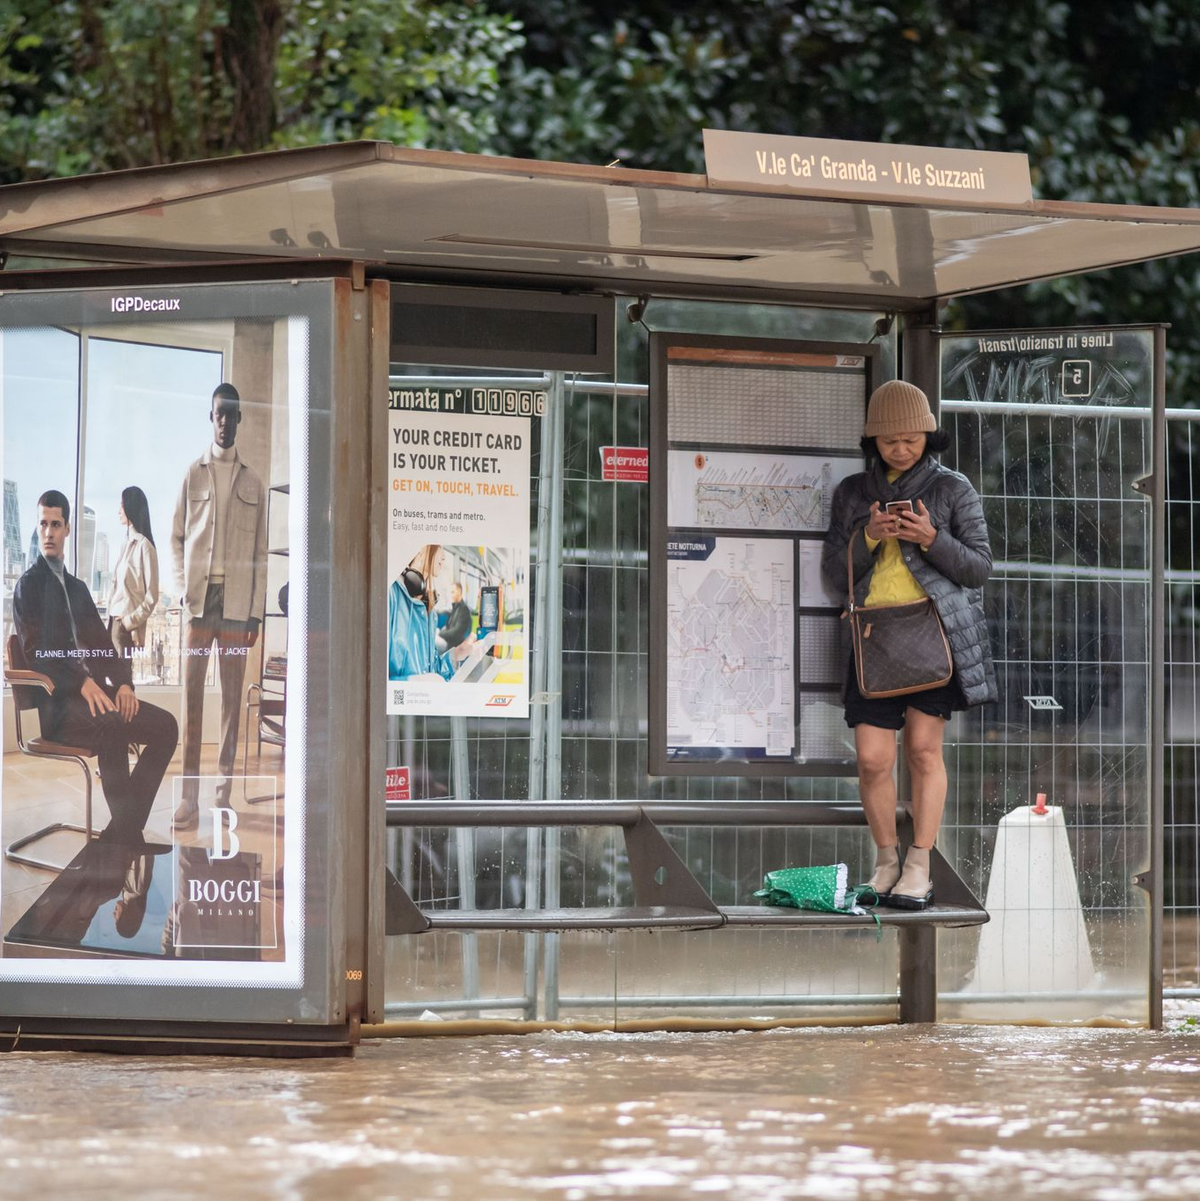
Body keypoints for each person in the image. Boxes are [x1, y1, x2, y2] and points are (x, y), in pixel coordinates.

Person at [821, 381, 996, 910]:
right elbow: (835, 574)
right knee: (873, 760)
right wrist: (870, 536)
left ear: (927, 435)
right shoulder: (854, 492)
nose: (902, 449)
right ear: (873, 440)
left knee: (923, 750)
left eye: (912, 439)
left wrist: (929, 538)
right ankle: (886, 860)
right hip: (872, 637)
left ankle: (920, 862)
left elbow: (980, 567)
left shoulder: (952, 488)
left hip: (934, 635)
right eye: (890, 441)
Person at [12, 490, 178, 833]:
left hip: (96, 699)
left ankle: (123, 830)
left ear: (67, 529)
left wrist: (124, 685)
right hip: (58, 707)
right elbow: (36, 653)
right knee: (112, 726)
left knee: (166, 727)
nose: (48, 532)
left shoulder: (78, 588)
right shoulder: (28, 586)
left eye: (56, 524)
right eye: (43, 524)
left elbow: (104, 645)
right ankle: (126, 834)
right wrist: (82, 682)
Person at [170, 383, 267, 827]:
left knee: (231, 703)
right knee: (192, 700)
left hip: (235, 607)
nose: (225, 422)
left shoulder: (254, 482)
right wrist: (181, 588)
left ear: (240, 418)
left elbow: (261, 554)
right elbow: (175, 538)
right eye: (218, 414)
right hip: (198, 603)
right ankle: (188, 798)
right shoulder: (193, 473)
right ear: (210, 418)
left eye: (232, 414)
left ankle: (223, 796)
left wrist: (255, 614)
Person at [389, 545, 455, 681]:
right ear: (421, 547)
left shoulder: (429, 607)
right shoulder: (390, 593)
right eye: (439, 547)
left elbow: (432, 669)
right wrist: (413, 683)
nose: (443, 556)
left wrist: (456, 655)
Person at [107, 485, 159, 656]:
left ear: (130, 507)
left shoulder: (145, 547)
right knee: (112, 679)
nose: (118, 511)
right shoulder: (125, 545)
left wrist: (129, 621)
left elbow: (151, 598)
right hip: (112, 623)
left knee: (123, 679)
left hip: (125, 628)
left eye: (122, 505)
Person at [438, 581, 473, 651]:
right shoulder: (455, 609)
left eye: (453, 592)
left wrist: (441, 633)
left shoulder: (464, 610)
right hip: (450, 643)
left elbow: (456, 633)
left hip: (455, 647)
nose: (450, 595)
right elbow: (449, 626)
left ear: (459, 592)